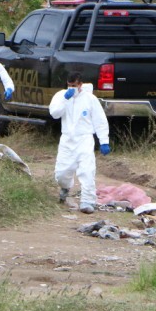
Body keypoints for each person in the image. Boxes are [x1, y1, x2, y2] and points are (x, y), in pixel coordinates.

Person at [49, 71, 111, 214]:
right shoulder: (60, 96)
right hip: (67, 139)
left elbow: (100, 121)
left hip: (84, 139)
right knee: (61, 172)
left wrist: (104, 141)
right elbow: (54, 114)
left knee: (87, 170)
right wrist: (65, 99)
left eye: (74, 85)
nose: (72, 88)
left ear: (80, 84)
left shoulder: (90, 99)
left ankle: (88, 200)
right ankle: (65, 187)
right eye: (69, 85)